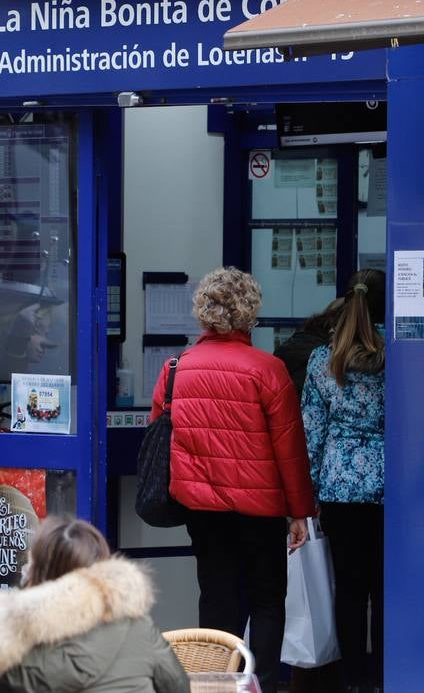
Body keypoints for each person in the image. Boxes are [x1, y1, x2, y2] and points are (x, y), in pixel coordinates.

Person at [149, 267, 315, 693]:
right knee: (266, 603)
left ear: (203, 312)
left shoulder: (175, 368)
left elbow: (161, 435)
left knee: (217, 601)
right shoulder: (268, 369)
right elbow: (290, 449)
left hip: (202, 508)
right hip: (261, 511)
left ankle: (217, 686)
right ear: (250, 314)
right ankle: (262, 687)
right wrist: (300, 512)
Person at [0, 516, 188, 693]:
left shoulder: (7, 653)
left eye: (30, 563)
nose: (22, 569)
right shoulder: (139, 627)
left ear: (39, 573)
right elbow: (179, 687)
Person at [300, 269, 387, 693]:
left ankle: (354, 679)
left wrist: (309, 492)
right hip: (392, 486)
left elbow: (311, 431)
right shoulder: (400, 351)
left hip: (339, 486)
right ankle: (387, 673)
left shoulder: (323, 358)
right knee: (385, 585)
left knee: (350, 588)